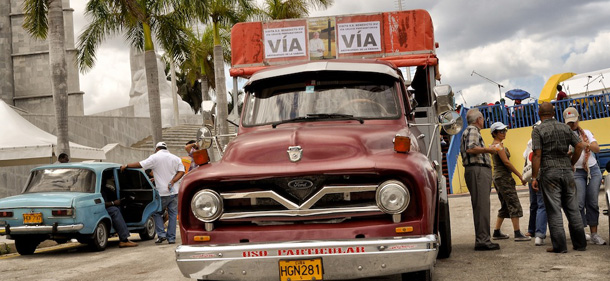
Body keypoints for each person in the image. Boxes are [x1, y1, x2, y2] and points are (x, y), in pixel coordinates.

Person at [531, 102, 587, 253]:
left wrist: (534, 177)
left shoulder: (538, 130)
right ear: (554, 113)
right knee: (573, 209)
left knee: (554, 210)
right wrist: (571, 162)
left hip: (549, 172)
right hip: (567, 171)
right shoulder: (565, 127)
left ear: (539, 114)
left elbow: (537, 154)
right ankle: (580, 244)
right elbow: (580, 146)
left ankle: (560, 246)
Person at [121, 142, 185, 244]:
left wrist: (126, 165)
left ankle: (161, 235)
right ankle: (171, 238)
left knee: (156, 212)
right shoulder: (176, 158)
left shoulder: (155, 157)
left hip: (162, 193)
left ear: (157, 149)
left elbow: (140, 164)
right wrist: (172, 181)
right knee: (173, 215)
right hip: (174, 192)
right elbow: (181, 172)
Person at [563, 107, 606, 245]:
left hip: (592, 170)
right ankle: (581, 232)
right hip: (576, 171)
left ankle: (594, 233)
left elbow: (597, 148)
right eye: (569, 122)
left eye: (574, 121)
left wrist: (585, 144)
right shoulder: (565, 136)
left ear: (578, 118)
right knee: (579, 203)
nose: (572, 124)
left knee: (592, 202)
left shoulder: (586, 133)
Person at [460, 108, 500, 251]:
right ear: (478, 120)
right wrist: (489, 150)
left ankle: (482, 238)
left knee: (481, 205)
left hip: (476, 170)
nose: (483, 121)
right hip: (478, 170)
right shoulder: (473, 130)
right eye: (482, 118)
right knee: (482, 206)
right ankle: (483, 240)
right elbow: (471, 148)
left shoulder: (470, 131)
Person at [489, 122, 531, 242]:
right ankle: (517, 233)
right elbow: (506, 162)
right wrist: (520, 176)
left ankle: (497, 231)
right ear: (495, 133)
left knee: (505, 205)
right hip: (503, 178)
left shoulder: (497, 145)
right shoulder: (498, 146)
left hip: (499, 177)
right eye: (501, 131)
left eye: (505, 130)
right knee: (513, 203)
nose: (504, 132)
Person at [101, 175, 138, 248]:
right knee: (115, 210)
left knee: (118, 208)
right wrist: (113, 203)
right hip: (102, 208)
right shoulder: (102, 189)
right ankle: (124, 239)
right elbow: (102, 204)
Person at [524, 138, 548, 246]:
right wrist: (526, 175)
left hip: (542, 175)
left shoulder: (547, 140)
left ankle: (538, 232)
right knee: (535, 204)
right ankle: (533, 230)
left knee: (540, 205)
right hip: (533, 175)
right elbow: (527, 158)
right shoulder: (530, 142)